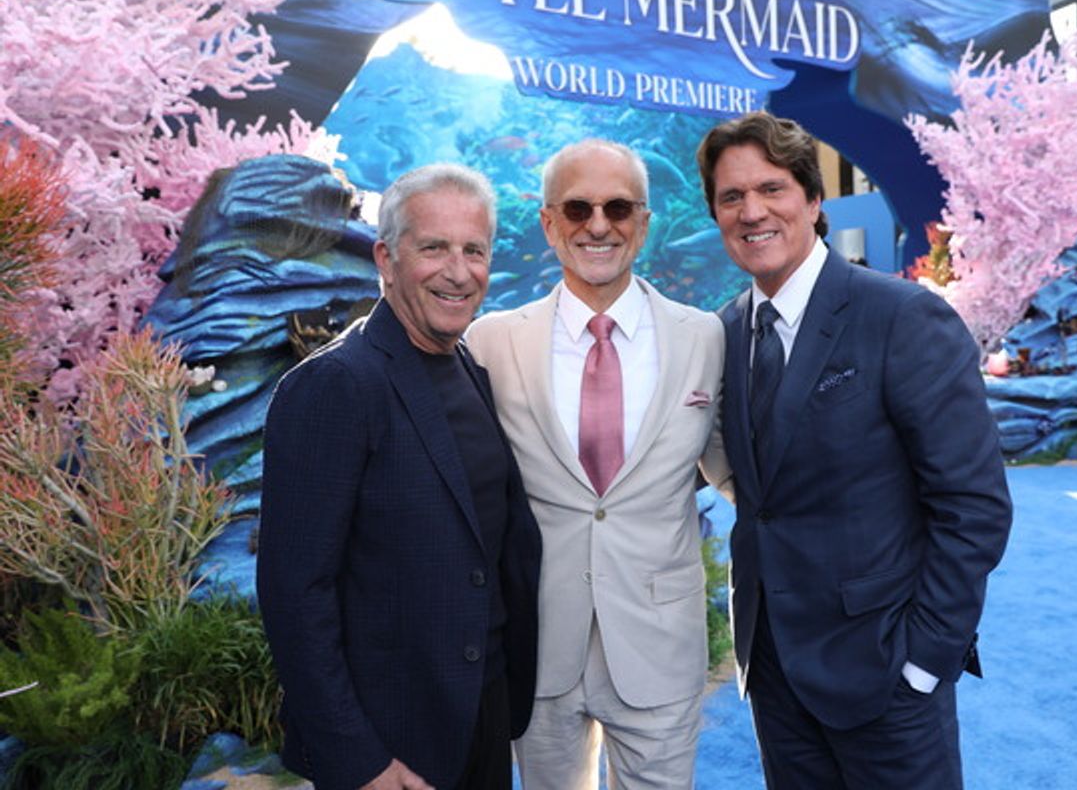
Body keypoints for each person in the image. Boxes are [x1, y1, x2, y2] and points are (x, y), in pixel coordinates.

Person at [695, 111, 1013, 789]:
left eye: (772, 189)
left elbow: (974, 505)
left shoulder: (901, 317)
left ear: (814, 200)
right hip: (774, 671)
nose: (752, 211)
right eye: (731, 196)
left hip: (886, 671)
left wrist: (924, 660)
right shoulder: (722, 333)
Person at [257, 163, 542, 790]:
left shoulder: (469, 368)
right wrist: (358, 760)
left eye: (474, 251)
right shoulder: (335, 384)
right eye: (434, 248)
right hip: (391, 746)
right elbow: (294, 594)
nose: (458, 271)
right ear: (386, 258)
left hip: (479, 715)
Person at [465, 139, 732, 790]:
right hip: (540, 645)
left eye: (618, 207)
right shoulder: (492, 342)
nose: (598, 225)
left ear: (643, 221)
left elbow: (733, 472)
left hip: (660, 644)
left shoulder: (703, 337)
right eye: (578, 208)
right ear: (548, 222)